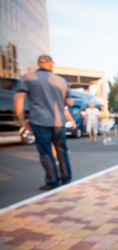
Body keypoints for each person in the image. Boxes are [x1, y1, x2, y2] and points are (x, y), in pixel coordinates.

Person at [14, 54, 74, 191]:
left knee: (46, 151)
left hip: (39, 120)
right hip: (58, 121)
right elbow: (70, 102)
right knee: (61, 150)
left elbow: (18, 100)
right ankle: (66, 177)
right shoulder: (61, 81)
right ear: (51, 64)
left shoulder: (28, 78)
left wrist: (22, 120)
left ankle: (53, 181)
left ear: (38, 64)